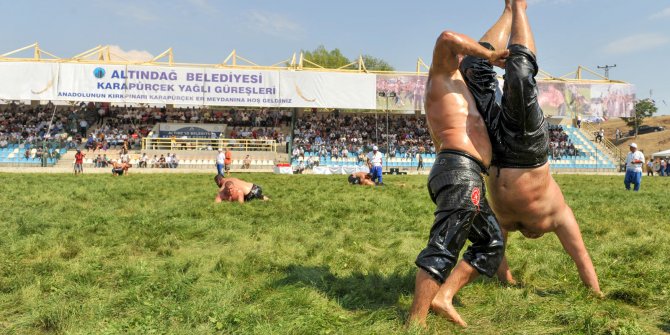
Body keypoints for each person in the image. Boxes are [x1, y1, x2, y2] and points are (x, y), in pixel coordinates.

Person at [451, 0, 602, 299]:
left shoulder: (518, 220)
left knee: (471, 66)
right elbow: (581, 257)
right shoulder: (559, 215)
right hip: (527, 150)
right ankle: (518, 7)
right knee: (519, 75)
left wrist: (506, 279)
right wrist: (595, 294)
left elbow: (499, 249)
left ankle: (509, 10)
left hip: (496, 149)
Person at [407, 4, 509, 328]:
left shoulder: (467, 92)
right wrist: (490, 55)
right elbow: (447, 37)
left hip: (469, 175)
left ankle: (443, 296)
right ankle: (415, 322)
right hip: (458, 170)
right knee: (446, 243)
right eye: (469, 54)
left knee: (491, 242)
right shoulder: (443, 76)